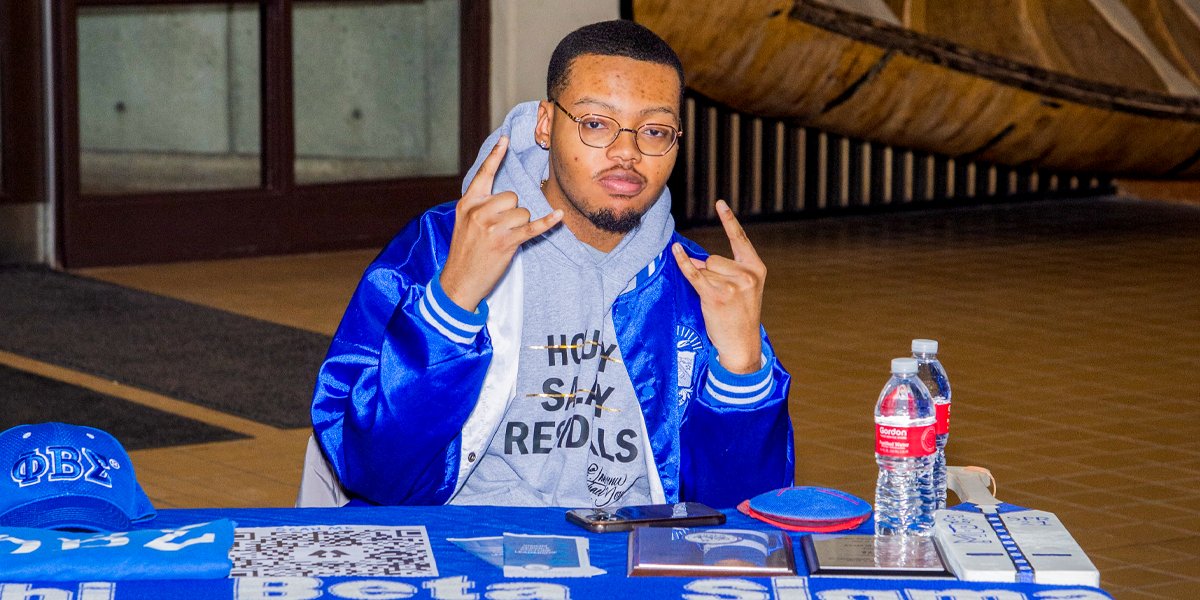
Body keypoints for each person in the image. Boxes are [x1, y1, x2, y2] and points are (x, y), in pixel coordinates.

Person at [306, 19, 793, 509]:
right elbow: (373, 471)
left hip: (632, 555)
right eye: (596, 123)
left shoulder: (698, 287)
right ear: (544, 123)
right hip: (471, 544)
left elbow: (745, 512)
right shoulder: (444, 247)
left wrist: (742, 369)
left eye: (655, 130)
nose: (627, 152)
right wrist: (450, 304)